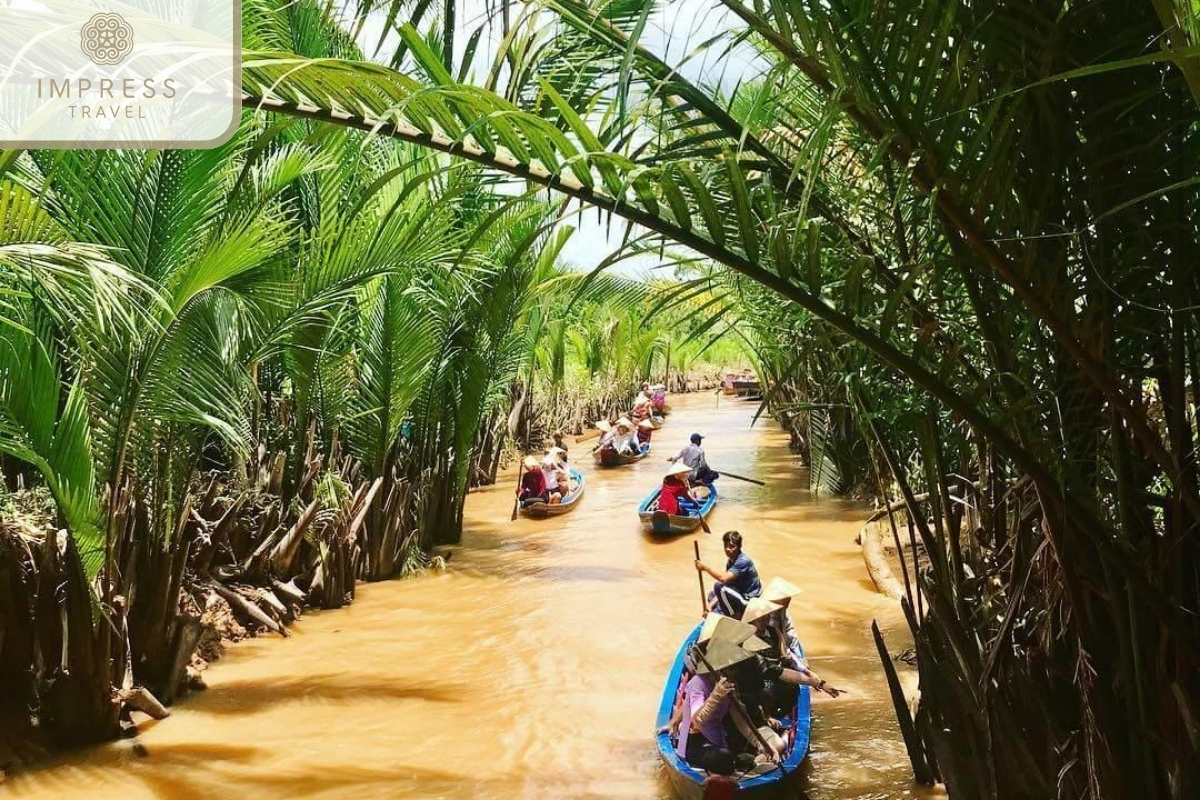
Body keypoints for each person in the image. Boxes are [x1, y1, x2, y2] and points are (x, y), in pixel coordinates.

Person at [673, 626, 777, 774]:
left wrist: (761, 743)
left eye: (733, 668)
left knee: (743, 754)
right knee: (725, 758)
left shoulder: (729, 685)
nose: (732, 672)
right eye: (728, 668)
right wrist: (715, 696)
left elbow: (741, 721)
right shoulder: (698, 683)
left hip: (717, 739)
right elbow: (697, 720)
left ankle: (739, 763)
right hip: (695, 741)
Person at [762, 577, 842, 697]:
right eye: (786, 597)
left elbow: (789, 632)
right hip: (770, 656)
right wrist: (803, 669)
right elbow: (783, 651)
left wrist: (800, 658)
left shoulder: (782, 612)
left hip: (782, 651)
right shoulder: (766, 619)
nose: (789, 599)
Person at [696, 531, 762, 617]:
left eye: (732, 547)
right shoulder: (731, 562)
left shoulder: (743, 561)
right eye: (725, 546)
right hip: (739, 593)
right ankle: (720, 611)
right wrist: (709, 606)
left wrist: (705, 568)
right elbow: (727, 584)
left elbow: (723, 579)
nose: (728, 549)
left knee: (719, 586)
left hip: (749, 599)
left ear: (738, 547)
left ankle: (734, 616)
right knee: (712, 595)